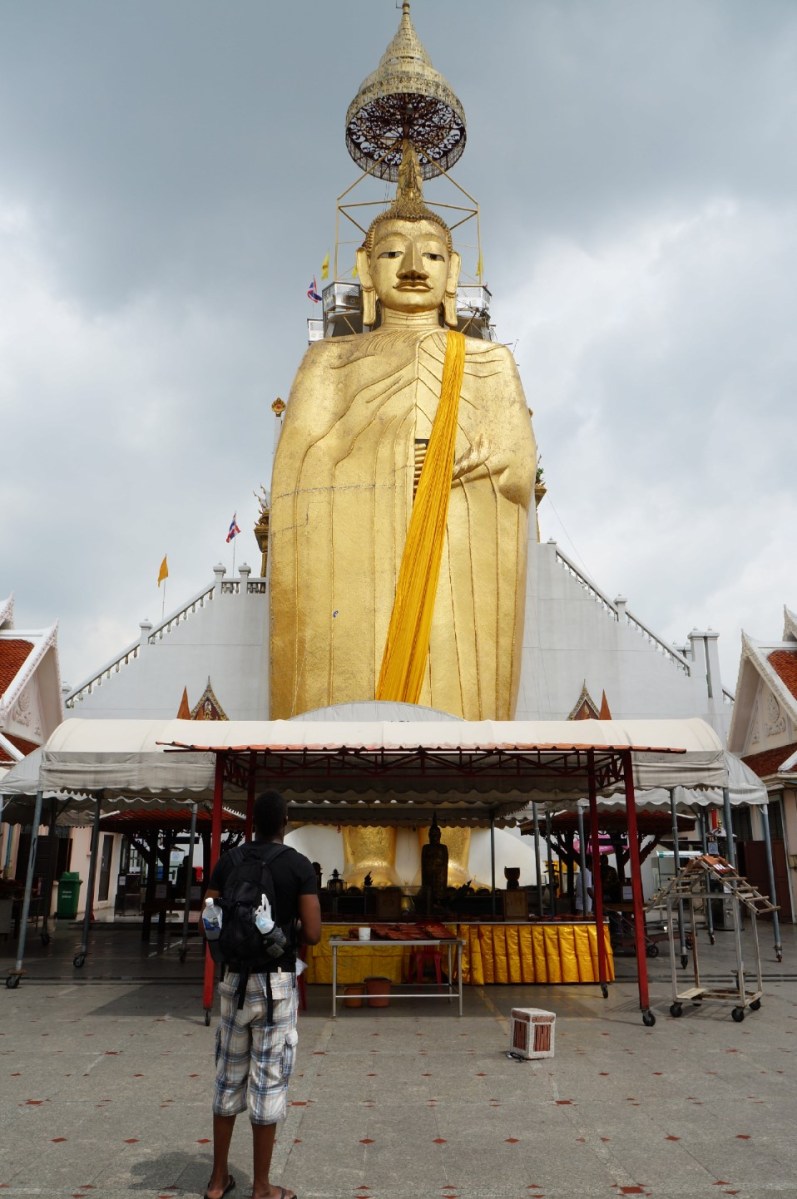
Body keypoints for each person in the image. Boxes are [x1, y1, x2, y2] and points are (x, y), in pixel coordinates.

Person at [269, 148, 537, 721]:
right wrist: (395, 463)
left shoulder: (490, 363)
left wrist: (480, 465)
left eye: (432, 255)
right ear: (365, 270)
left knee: (455, 700)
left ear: (453, 272)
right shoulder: (327, 362)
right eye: (392, 252)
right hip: (355, 590)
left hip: (459, 564)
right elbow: (296, 472)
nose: (413, 265)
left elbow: (520, 470)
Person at [203, 791, 321, 1199]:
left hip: (233, 981)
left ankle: (217, 1181)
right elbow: (313, 934)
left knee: (228, 1077)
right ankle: (263, 1187)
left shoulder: (229, 861)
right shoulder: (298, 866)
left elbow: (209, 918)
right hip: (275, 983)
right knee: (267, 1081)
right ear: (285, 821)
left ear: (251, 821)